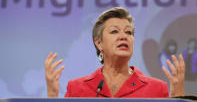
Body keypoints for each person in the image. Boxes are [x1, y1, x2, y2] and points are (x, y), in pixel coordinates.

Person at [45, 7, 185, 98]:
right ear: (99, 43)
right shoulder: (76, 88)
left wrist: (178, 96)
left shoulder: (156, 89)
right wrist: (52, 94)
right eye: (114, 31)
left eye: (129, 32)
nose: (124, 36)